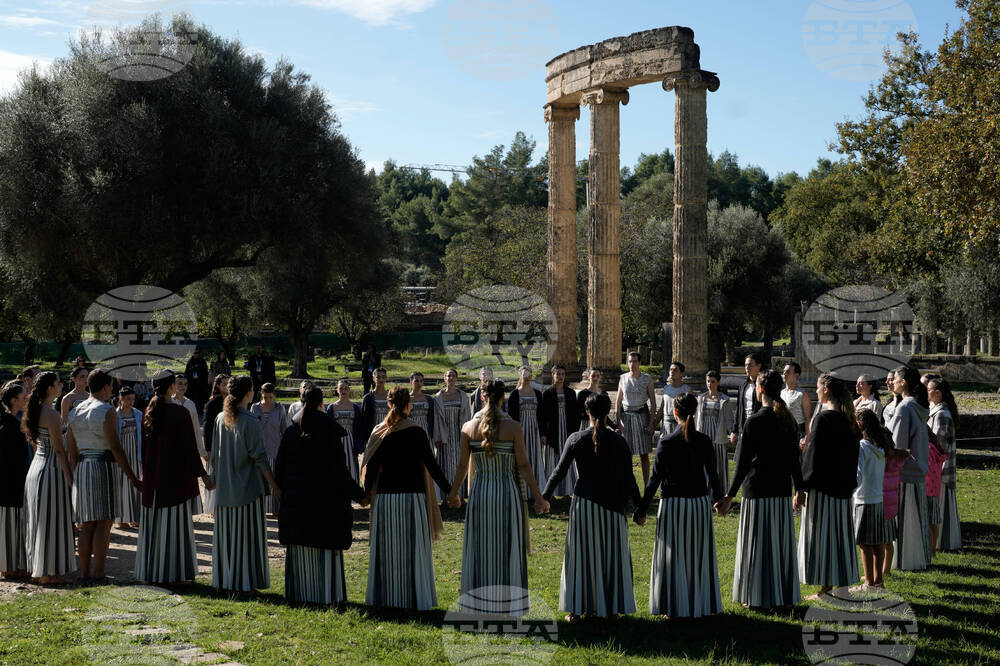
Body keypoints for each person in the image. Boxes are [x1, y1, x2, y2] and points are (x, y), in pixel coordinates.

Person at [446, 380, 549, 615]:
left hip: (480, 493)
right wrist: (538, 498)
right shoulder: (513, 427)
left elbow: (462, 466)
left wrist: (453, 495)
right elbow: (523, 465)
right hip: (506, 493)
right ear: (503, 398)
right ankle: (507, 603)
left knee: (481, 547)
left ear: (481, 398)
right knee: (507, 547)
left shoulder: (468, 427)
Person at [543, 392, 638, 622]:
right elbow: (629, 478)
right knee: (611, 556)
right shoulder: (619, 441)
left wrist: (543, 497)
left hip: (584, 506)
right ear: (608, 413)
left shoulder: (576, 439)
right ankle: (612, 609)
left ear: (587, 412)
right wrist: (639, 508)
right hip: (613, 507)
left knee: (580, 557)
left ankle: (576, 611)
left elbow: (558, 472)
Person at [714, 370, 804, 609]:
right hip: (781, 488)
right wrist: (800, 489)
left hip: (757, 490)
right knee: (778, 544)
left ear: (760, 390)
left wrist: (729, 495)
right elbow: (795, 459)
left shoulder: (754, 421)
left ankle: (756, 595)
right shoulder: (788, 420)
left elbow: (742, 464)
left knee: (757, 544)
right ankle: (781, 594)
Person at [362, 387, 452, 610]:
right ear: (407, 405)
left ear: (389, 404)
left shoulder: (379, 432)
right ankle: (413, 598)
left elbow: (369, 467)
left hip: (385, 500)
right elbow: (432, 466)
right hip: (413, 498)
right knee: (413, 551)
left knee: (388, 551)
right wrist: (450, 492)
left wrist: (366, 493)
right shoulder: (416, 432)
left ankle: (387, 598)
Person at [276, 386, 366, 605]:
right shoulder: (329, 432)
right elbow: (340, 471)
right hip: (326, 504)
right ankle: (327, 594)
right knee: (324, 548)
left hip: (297, 504)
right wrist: (360, 495)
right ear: (321, 404)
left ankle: (300, 594)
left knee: (301, 547)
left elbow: (280, 469)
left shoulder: (290, 432)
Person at [635, 393, 722, 618]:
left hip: (673, 505)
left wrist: (642, 509)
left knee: (673, 556)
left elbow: (653, 480)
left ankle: (674, 605)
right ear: (695, 412)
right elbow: (714, 475)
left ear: (675, 413)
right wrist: (718, 500)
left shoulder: (666, 442)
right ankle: (700, 603)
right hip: (699, 504)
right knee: (697, 555)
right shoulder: (704, 441)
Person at [135, 370, 212, 584]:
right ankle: (173, 573)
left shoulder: (148, 412)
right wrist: (204, 476)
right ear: (171, 386)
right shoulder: (179, 413)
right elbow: (189, 450)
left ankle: (153, 570)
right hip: (174, 480)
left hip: (153, 479)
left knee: (155, 527)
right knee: (173, 528)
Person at [66, 369, 142, 582]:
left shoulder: (76, 410)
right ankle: (99, 573)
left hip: (82, 467)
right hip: (103, 466)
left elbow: (72, 449)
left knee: (86, 524)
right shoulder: (107, 410)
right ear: (106, 386)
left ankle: (85, 573)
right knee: (103, 523)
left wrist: (76, 475)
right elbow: (116, 447)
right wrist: (133, 477)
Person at [211, 375, 281, 593]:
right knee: (246, 539)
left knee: (229, 539)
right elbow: (260, 458)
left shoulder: (220, 418)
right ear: (249, 392)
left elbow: (215, 455)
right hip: (247, 491)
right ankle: (246, 582)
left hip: (224, 491)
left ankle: (227, 580)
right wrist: (276, 488)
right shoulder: (250, 420)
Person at [796, 373, 860, 599]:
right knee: (840, 537)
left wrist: (801, 488)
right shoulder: (849, 420)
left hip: (823, 489)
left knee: (822, 538)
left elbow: (813, 459)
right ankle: (838, 588)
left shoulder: (823, 419)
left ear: (826, 390)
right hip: (843, 489)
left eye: (817, 387)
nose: (816, 391)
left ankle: (826, 588)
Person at [22, 372, 75, 585]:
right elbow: (60, 451)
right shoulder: (51, 414)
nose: (61, 385)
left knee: (40, 519)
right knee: (51, 520)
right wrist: (70, 478)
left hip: (36, 468)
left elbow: (36, 445)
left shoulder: (34, 411)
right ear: (49, 389)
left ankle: (40, 568)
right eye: (58, 383)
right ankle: (48, 573)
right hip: (52, 469)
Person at [889, 366, 931, 571]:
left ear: (903, 382)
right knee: (916, 517)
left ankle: (904, 559)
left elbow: (897, 445)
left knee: (905, 519)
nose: (893, 382)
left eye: (895, 378)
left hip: (905, 472)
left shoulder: (905, 407)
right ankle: (917, 556)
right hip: (919, 468)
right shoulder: (919, 406)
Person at [853, 408, 889, 591]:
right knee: (878, 543)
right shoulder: (880, 446)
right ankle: (879, 581)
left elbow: (857, 475)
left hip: (863, 499)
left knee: (865, 544)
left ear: (859, 425)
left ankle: (868, 582)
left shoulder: (862, 447)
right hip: (878, 499)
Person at [1, 381, 31, 578]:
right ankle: (9, 566)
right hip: (9, 480)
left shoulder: (11, 421)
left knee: (11, 523)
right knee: (9, 524)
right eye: (23, 397)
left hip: (14, 479)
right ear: (13, 401)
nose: (26, 399)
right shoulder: (8, 424)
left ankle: (12, 565)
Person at [927, 377, 961, 552]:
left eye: (929, 389)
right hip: (937, 466)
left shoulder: (941, 415)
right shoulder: (937, 411)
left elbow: (940, 445)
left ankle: (941, 541)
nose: (927, 392)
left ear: (937, 393)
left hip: (940, 467)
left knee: (941, 506)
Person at [616, 353, 657, 485]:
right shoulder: (622, 378)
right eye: (629, 361)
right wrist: (618, 422)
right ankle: (628, 486)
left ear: (639, 362)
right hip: (626, 417)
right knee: (626, 454)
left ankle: (646, 486)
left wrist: (652, 423)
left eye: (634, 361)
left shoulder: (647, 378)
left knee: (644, 454)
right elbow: (618, 402)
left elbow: (653, 402)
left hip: (642, 416)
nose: (632, 364)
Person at [507, 365, 548, 499]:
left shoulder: (537, 393)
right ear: (520, 375)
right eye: (524, 374)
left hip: (534, 430)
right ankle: (521, 491)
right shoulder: (515, 394)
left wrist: (542, 433)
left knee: (535, 457)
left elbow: (542, 415)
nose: (527, 376)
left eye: (529, 373)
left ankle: (536, 491)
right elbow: (512, 416)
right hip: (520, 430)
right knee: (521, 458)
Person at [540, 365, 580, 497]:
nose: (560, 376)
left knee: (567, 458)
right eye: (558, 374)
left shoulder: (570, 393)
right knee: (553, 458)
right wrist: (543, 433)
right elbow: (543, 416)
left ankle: (568, 490)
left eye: (563, 374)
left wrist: (575, 432)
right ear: (553, 375)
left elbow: (575, 415)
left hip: (567, 430)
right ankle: (552, 491)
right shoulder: (547, 393)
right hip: (553, 431)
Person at [250, 383, 289, 516]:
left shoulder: (280, 409)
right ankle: (260, 509)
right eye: (266, 397)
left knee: (275, 479)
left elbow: (284, 430)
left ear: (274, 396)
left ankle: (275, 508)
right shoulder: (254, 408)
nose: (268, 400)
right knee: (260, 480)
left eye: (271, 397)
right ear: (261, 394)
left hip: (275, 449)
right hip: (259, 450)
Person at [432, 370, 471, 502]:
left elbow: (467, 417)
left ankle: (460, 495)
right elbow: (436, 419)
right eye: (448, 376)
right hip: (445, 435)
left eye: (453, 376)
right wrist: (437, 437)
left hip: (459, 434)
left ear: (457, 379)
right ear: (444, 379)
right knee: (445, 466)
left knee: (460, 464)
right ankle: (446, 496)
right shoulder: (438, 397)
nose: (451, 378)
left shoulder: (463, 396)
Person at [172, 375, 208, 519]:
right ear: (173, 385)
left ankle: (187, 510)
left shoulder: (190, 404)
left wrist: (201, 450)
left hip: (188, 448)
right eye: (179, 383)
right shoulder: (169, 402)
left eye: (185, 384)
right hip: (173, 448)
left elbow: (196, 430)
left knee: (188, 480)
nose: (183, 386)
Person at [695, 371, 735, 493]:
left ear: (718, 382)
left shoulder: (725, 399)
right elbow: (696, 417)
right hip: (703, 433)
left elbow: (729, 419)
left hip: (718, 434)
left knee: (717, 463)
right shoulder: (701, 398)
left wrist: (732, 432)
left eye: (712, 381)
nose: (710, 384)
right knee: (702, 463)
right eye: (708, 381)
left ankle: (719, 492)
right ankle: (703, 491)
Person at [114, 387, 143, 529]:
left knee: (136, 483)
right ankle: (122, 518)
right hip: (122, 453)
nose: (131, 402)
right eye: (128, 399)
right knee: (121, 485)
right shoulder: (115, 415)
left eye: (133, 399)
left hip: (135, 453)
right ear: (121, 399)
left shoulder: (138, 414)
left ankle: (136, 517)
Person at [326, 380, 364, 484]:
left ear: (349, 390)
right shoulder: (331, 407)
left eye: (346, 388)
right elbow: (328, 429)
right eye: (341, 388)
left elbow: (359, 427)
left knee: (352, 466)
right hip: (337, 442)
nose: (343, 390)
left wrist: (359, 444)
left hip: (351, 441)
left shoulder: (355, 407)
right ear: (337, 390)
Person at [880, 439, 908, 582]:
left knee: (880, 542)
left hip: (883, 505)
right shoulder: (896, 460)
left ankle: (880, 571)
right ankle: (887, 570)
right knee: (889, 541)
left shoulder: (882, 460)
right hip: (892, 507)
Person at [201, 374, 229, 516]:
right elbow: (207, 427)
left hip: (228, 442)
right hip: (215, 442)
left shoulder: (232, 401)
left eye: (228, 383)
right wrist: (208, 449)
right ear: (218, 385)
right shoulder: (213, 402)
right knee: (214, 472)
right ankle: (213, 507)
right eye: (224, 384)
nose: (227, 386)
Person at [729, 353, 763, 448]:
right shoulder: (743, 386)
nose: (747, 368)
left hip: (758, 428)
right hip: (743, 427)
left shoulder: (763, 385)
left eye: (750, 365)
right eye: (745, 365)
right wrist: (734, 430)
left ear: (758, 366)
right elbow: (738, 408)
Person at [925, 424, 948, 559]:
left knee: (929, 522)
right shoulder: (936, 448)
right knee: (933, 521)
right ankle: (932, 550)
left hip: (927, 489)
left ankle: (931, 550)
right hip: (934, 489)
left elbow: (926, 467)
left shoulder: (927, 448)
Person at [782, 362, 813, 449]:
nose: (784, 374)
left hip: (798, 434)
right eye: (784, 371)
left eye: (788, 372)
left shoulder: (802, 394)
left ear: (796, 375)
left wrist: (807, 437)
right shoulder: (780, 393)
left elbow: (808, 418)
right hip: (782, 433)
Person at [658, 360, 692, 437]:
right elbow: (661, 409)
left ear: (681, 374)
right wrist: (653, 425)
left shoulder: (687, 390)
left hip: (680, 425)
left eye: (675, 370)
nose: (672, 372)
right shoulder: (666, 388)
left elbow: (690, 411)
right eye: (671, 369)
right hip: (666, 424)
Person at [360, 368, 390, 444]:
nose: (381, 379)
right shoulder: (368, 398)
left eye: (383, 377)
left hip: (389, 434)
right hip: (373, 435)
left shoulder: (391, 396)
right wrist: (364, 440)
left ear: (386, 378)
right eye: (378, 377)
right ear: (373, 378)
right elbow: (364, 420)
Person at [407, 372, 437, 443]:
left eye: (421, 381)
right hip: (410, 432)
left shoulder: (429, 399)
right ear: (411, 382)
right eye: (416, 381)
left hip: (426, 433)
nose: (419, 383)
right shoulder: (406, 399)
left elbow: (433, 418)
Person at [575, 367, 606, 431]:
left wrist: (614, 426)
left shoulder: (604, 394)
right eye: (593, 376)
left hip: (600, 425)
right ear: (589, 377)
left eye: (598, 376)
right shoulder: (582, 394)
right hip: (586, 425)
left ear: (600, 377)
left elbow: (605, 413)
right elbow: (577, 414)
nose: (595, 378)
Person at [185, 348, 210, 413]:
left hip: (201, 383)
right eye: (194, 353)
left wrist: (198, 369)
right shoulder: (190, 361)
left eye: (197, 353)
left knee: (201, 397)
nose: (196, 354)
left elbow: (205, 372)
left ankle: (201, 410)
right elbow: (187, 372)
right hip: (192, 383)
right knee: (192, 397)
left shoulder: (202, 361)